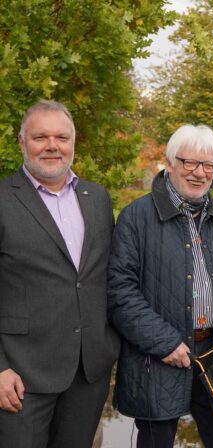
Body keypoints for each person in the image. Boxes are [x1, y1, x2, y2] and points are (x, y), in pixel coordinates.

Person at [107, 124, 213, 447]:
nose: (198, 173)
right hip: (159, 359)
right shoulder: (136, 218)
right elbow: (120, 292)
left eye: (208, 165)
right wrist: (164, 342)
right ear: (170, 162)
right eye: (189, 162)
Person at [0, 100, 120, 447]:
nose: (52, 146)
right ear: (22, 143)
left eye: (61, 137)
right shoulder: (4, 199)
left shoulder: (97, 198)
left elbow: (102, 277)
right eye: (41, 137)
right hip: (21, 377)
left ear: (73, 143)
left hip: (87, 374)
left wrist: (109, 344)